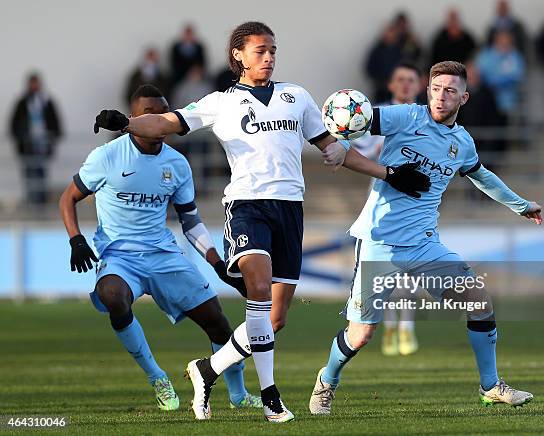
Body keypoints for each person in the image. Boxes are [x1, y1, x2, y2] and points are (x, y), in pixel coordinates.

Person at [92, 22, 430, 423]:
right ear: (238, 55)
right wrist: (126, 124)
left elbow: (333, 148)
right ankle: (271, 396)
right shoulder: (220, 102)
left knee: (275, 319)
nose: (268, 56)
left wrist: (389, 174)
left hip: (290, 209)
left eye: (272, 50)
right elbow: (166, 123)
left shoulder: (297, 97)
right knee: (257, 286)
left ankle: (208, 369)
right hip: (248, 206)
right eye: (259, 50)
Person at [309, 61, 542, 416]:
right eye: (435, 88)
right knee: (360, 336)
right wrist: (373, 164)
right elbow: (353, 128)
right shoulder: (406, 117)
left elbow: (482, 177)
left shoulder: (461, 143)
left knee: (478, 299)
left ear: (463, 97)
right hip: (379, 242)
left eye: (450, 91)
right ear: (427, 90)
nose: (440, 96)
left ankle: (491, 386)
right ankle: (327, 381)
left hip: (423, 243)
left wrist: (520, 205)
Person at [59, 85, 262, 414]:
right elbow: (68, 197)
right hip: (120, 257)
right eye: (149, 114)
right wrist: (75, 238)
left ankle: (238, 395)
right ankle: (157, 377)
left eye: (162, 114)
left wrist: (216, 261)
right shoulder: (107, 157)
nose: (158, 121)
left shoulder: (177, 164)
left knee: (218, 322)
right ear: (133, 118)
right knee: (113, 296)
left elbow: (191, 221)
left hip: (163, 256)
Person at [352, 62, 423, 357]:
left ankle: (406, 328)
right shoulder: (378, 117)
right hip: (383, 204)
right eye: (400, 80)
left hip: (415, 204)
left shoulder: (426, 118)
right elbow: (356, 150)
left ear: (418, 86)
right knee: (384, 275)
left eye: (411, 80)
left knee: (409, 273)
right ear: (391, 86)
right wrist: (378, 154)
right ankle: (389, 326)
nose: (406, 85)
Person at [10, 73, 62, 205]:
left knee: (41, 174)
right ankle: (31, 200)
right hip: (28, 146)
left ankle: (41, 201)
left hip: (42, 145)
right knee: (29, 174)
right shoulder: (22, 103)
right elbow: (14, 124)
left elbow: (56, 123)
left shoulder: (46, 102)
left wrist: (52, 138)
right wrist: (21, 138)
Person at [476, 30, 525, 116]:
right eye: (501, 39)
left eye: (507, 40)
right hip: (488, 96)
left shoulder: (515, 56)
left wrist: (498, 80)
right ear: (496, 40)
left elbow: (517, 75)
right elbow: (482, 74)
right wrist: (502, 78)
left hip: (511, 96)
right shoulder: (486, 55)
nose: (504, 42)